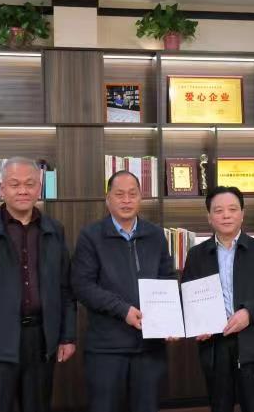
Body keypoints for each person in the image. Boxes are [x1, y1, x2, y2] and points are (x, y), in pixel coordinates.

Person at [0, 157, 76, 412]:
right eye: (15, 184)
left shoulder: (54, 230)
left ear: (39, 188)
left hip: (41, 340)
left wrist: (67, 336)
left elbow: (65, 290)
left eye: (30, 184)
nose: (23, 191)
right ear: (2, 189)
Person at [71, 170, 176, 412]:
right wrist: (123, 310)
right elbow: (83, 286)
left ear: (141, 198)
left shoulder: (155, 235)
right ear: (108, 199)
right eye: (119, 194)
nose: (126, 200)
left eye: (132, 194)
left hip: (149, 348)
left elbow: (167, 278)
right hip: (107, 348)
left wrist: (169, 320)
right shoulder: (91, 236)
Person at [181, 186, 254, 412]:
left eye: (232, 209)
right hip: (214, 345)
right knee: (219, 406)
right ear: (209, 217)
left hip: (253, 343)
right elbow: (187, 296)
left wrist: (249, 312)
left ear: (242, 214)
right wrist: (198, 322)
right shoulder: (197, 255)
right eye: (218, 211)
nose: (226, 215)